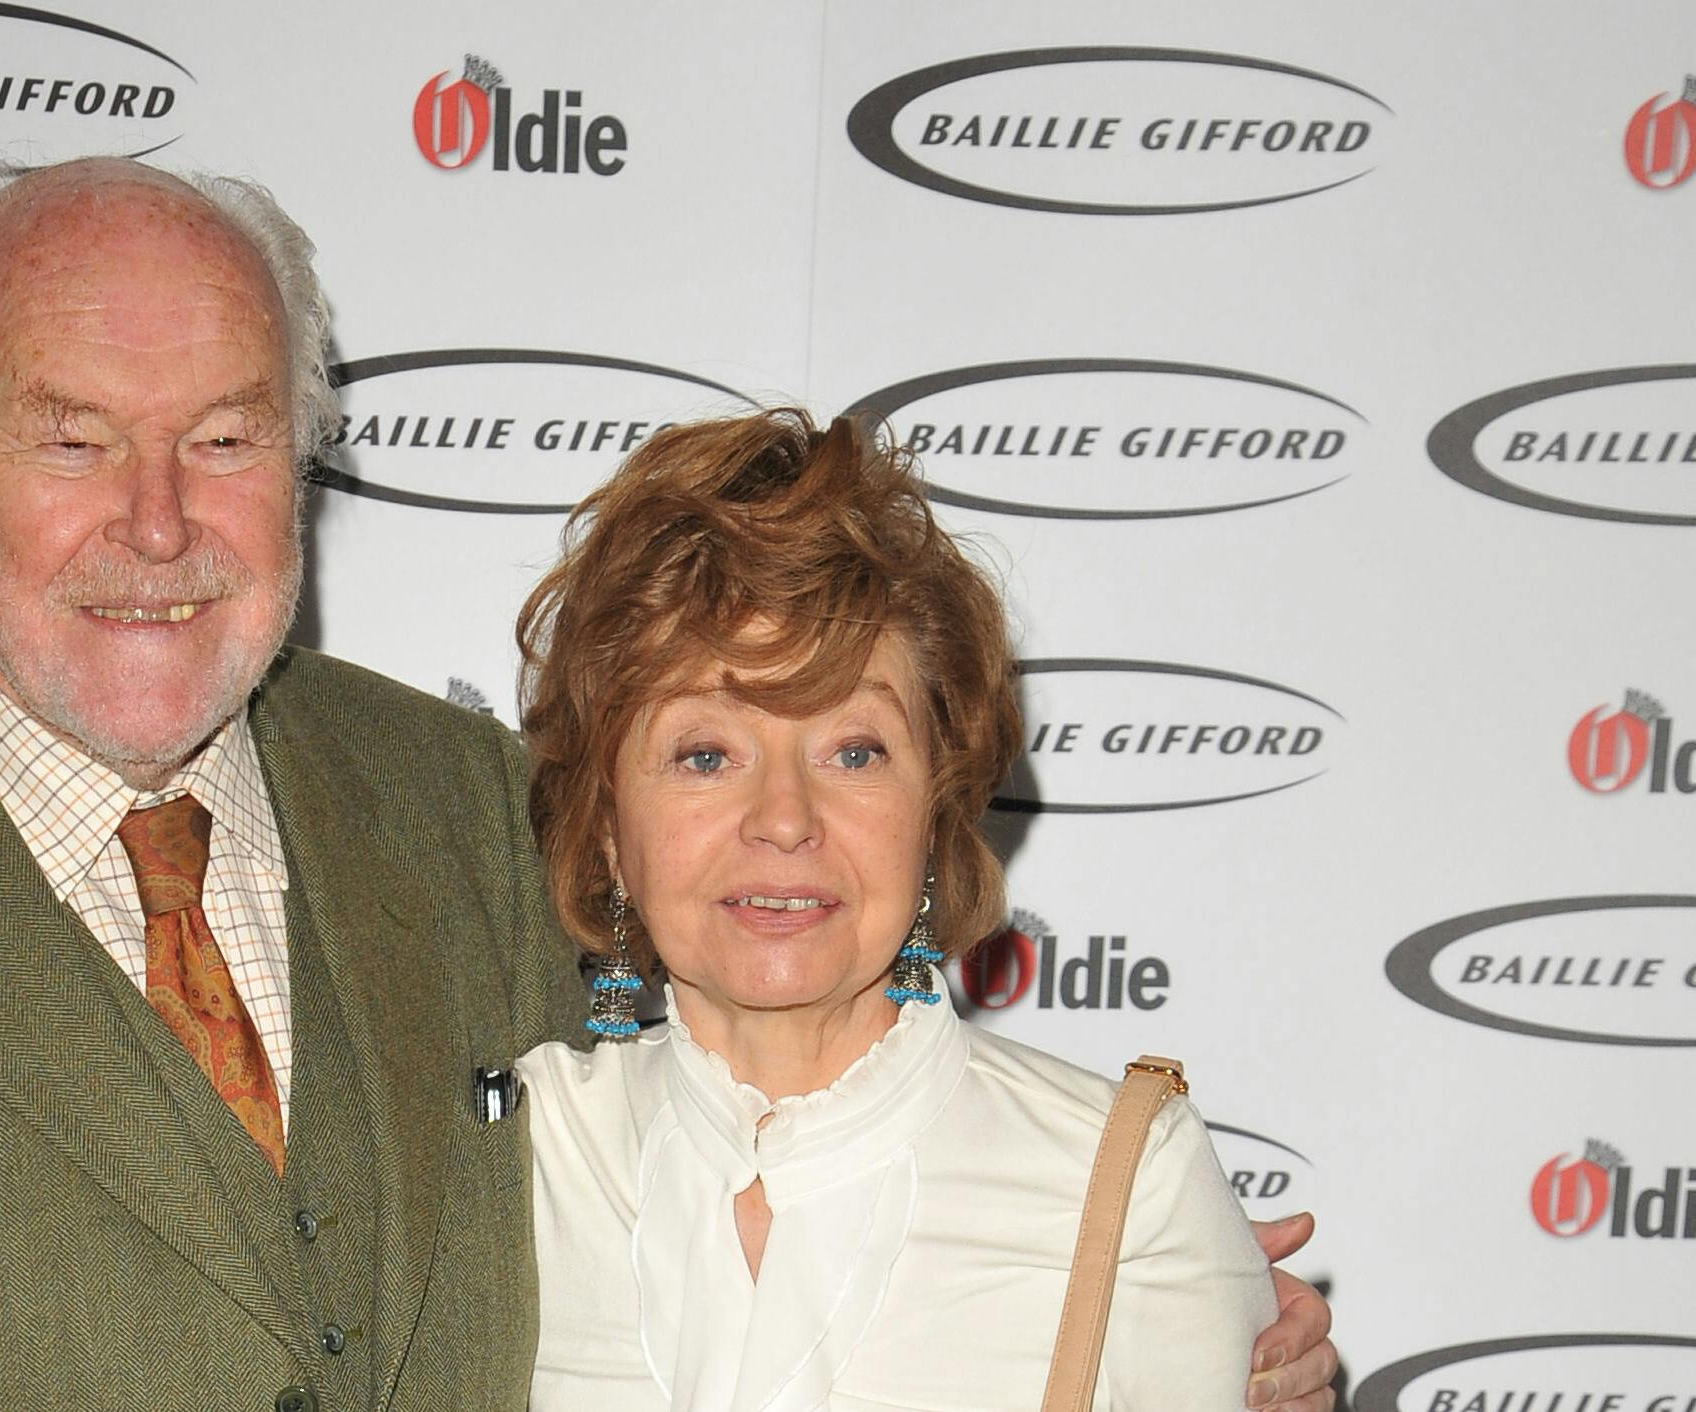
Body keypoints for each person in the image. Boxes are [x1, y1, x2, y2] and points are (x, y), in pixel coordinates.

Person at [0, 157, 1338, 1411]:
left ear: (303, 455)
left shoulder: (465, 800)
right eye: (70, 438)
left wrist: (1151, 1309)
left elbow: (781, 1121)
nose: (156, 523)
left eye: (224, 437)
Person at [514, 408, 1311, 1410]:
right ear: (604, 832)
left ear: (934, 811)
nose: (785, 817)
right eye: (705, 752)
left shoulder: (1119, 1183)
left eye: (854, 749)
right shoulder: (513, 1158)